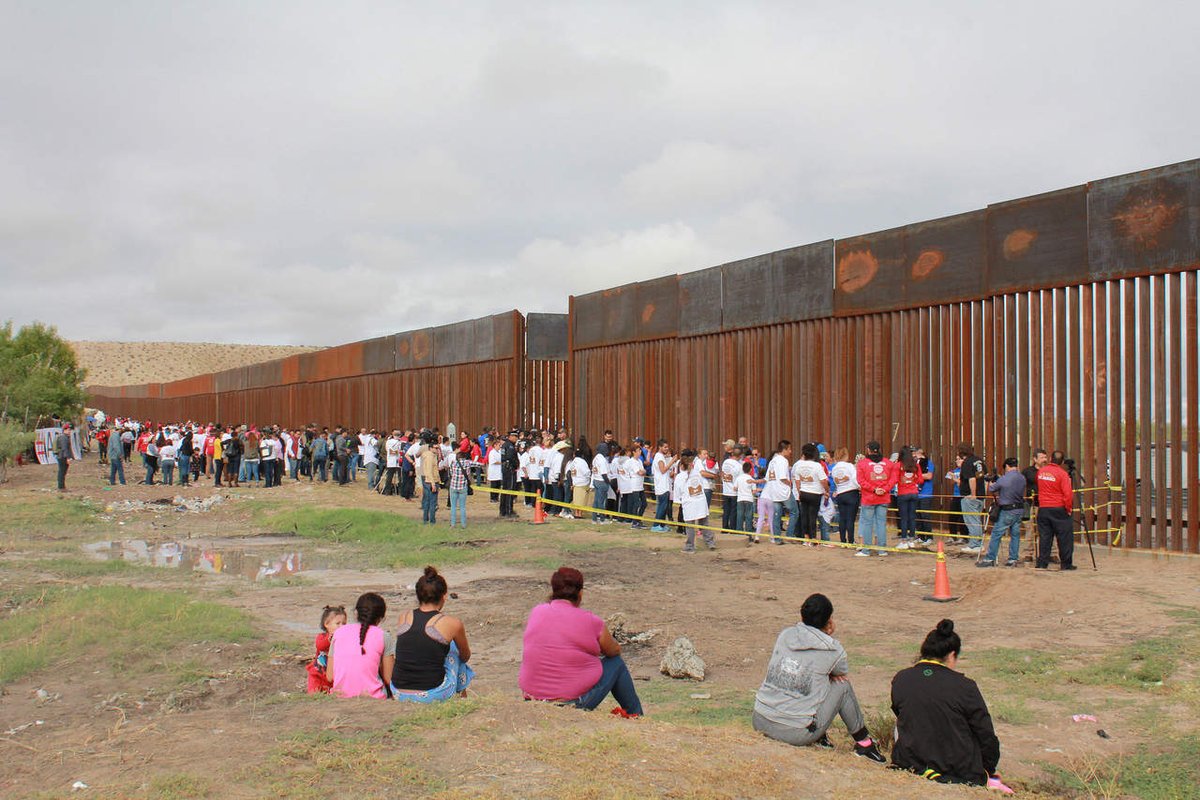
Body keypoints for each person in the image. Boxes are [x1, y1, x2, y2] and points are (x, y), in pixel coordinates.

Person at [753, 593, 886, 762]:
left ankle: (822, 737)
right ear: (829, 620)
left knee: (812, 676)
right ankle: (865, 744)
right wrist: (828, 637)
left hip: (760, 719)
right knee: (841, 686)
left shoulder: (785, 635)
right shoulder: (832, 649)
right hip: (795, 732)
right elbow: (841, 672)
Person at [890, 620, 1009, 792]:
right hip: (957, 768)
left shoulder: (901, 679)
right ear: (952, 655)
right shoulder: (965, 686)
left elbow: (900, 713)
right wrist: (988, 768)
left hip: (910, 760)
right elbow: (985, 734)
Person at [518, 567, 643, 718]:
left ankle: (634, 716)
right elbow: (614, 650)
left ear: (553, 590)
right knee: (616, 663)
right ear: (580, 593)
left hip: (531, 698)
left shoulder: (537, 611)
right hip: (570, 704)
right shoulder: (590, 621)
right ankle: (636, 715)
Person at [390, 566, 474, 702]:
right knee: (453, 649)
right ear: (444, 596)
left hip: (398, 691)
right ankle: (462, 698)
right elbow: (465, 656)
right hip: (432, 693)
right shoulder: (453, 623)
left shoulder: (403, 617)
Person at [328, 592, 395, 699]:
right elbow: (388, 678)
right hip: (374, 697)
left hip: (340, 696)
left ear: (356, 613)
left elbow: (330, 676)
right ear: (381, 618)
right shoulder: (384, 636)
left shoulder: (338, 633)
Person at [978, 458, 1027, 568]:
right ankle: (1013, 559)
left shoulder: (1004, 478)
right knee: (1015, 535)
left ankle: (990, 558)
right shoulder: (1022, 477)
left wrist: (989, 481)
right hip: (1019, 510)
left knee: (996, 534)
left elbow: (992, 488)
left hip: (1007, 510)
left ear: (1007, 466)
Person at [1036, 450, 1076, 571]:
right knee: (1064, 538)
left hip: (1043, 508)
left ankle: (1042, 563)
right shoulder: (1063, 474)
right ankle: (1066, 563)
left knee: (1045, 537)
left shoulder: (1041, 472)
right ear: (1062, 461)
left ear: (1050, 459)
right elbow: (1068, 494)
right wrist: (1068, 509)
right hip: (1059, 508)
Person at [855, 441, 896, 556]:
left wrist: (873, 489)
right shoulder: (888, 463)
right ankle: (882, 549)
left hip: (869, 498)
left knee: (867, 524)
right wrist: (885, 489)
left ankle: (866, 550)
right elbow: (893, 479)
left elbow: (861, 481)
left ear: (868, 450)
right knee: (881, 524)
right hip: (884, 497)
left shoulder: (862, 464)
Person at [674, 449, 714, 552]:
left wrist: (679, 500)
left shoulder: (679, 477)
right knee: (704, 523)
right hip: (700, 500)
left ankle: (690, 547)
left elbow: (677, 493)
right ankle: (710, 542)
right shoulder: (697, 473)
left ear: (681, 466)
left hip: (689, 503)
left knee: (690, 526)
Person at [791, 443, 828, 544]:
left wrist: (799, 492)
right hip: (815, 493)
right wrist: (826, 491)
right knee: (812, 516)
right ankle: (813, 538)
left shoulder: (799, 465)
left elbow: (797, 482)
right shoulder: (817, 466)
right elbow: (824, 480)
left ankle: (806, 537)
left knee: (804, 516)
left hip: (803, 492)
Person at [307, 605, 347, 694]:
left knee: (332, 691)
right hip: (318, 672)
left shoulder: (344, 639)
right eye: (338, 623)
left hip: (334, 673)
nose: (341, 626)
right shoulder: (322, 637)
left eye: (344, 624)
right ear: (326, 624)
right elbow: (320, 646)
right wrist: (329, 640)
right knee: (314, 692)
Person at [958, 444, 988, 555]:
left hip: (971, 496)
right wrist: (983, 493)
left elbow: (972, 479)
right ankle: (977, 543)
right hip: (981, 496)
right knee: (976, 520)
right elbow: (985, 478)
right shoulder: (979, 461)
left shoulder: (967, 463)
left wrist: (973, 494)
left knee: (971, 520)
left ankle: (975, 544)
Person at [763, 441, 794, 545]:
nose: (790, 451)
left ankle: (777, 538)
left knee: (776, 515)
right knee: (795, 512)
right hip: (783, 491)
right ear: (784, 449)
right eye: (789, 449)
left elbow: (768, 477)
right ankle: (790, 534)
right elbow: (782, 477)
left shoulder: (773, 461)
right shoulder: (783, 460)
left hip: (773, 491)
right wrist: (790, 483)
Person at [894, 447, 924, 549]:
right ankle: (912, 539)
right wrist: (912, 480)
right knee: (912, 517)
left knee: (903, 518)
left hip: (903, 493)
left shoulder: (898, 465)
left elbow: (894, 479)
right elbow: (920, 480)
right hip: (914, 493)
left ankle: (903, 540)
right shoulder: (916, 465)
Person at [829, 448, 860, 546]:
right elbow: (855, 479)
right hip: (851, 492)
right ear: (845, 455)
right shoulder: (850, 466)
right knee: (850, 518)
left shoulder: (834, 468)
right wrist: (860, 487)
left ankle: (843, 540)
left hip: (840, 493)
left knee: (842, 518)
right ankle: (851, 540)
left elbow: (834, 480)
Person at [651, 440, 678, 532]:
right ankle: (656, 525)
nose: (667, 449)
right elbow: (662, 470)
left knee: (664, 506)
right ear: (660, 447)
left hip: (664, 485)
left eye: (667, 447)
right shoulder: (659, 457)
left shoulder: (661, 456)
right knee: (662, 507)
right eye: (665, 447)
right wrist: (672, 461)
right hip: (661, 486)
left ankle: (662, 525)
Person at [448, 444, 471, 528]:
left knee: (453, 507)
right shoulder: (467, 463)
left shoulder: (453, 463)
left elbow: (451, 473)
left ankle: (453, 524)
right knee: (462, 507)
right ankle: (463, 524)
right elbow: (468, 474)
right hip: (463, 486)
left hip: (453, 486)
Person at [419, 436, 440, 524]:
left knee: (427, 500)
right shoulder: (430, 457)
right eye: (436, 448)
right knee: (432, 501)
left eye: (438, 448)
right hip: (431, 480)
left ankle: (426, 519)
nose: (437, 449)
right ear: (431, 448)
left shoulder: (432, 455)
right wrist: (433, 483)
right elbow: (429, 471)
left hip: (429, 480)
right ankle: (431, 520)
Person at [500, 429, 520, 518]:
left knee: (505, 489)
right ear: (511, 437)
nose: (516, 438)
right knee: (510, 490)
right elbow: (511, 457)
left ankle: (503, 510)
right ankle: (509, 511)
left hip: (505, 468)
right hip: (510, 469)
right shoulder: (510, 446)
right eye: (515, 437)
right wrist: (516, 465)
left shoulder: (505, 445)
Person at [54, 423, 74, 491]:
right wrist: (68, 458)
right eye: (68, 430)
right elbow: (64, 448)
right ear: (64, 430)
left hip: (62, 456)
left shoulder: (64, 437)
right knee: (62, 471)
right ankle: (61, 486)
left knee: (63, 471)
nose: (69, 431)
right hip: (62, 457)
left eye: (70, 430)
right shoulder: (63, 437)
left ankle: (62, 486)